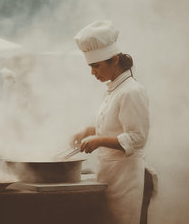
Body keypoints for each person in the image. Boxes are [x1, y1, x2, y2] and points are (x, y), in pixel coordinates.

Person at [72, 20, 156, 224]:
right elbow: (111, 127)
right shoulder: (113, 90)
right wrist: (89, 130)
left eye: (96, 66)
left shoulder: (132, 91)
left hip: (126, 178)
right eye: (91, 66)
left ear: (115, 60)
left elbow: (137, 138)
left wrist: (98, 141)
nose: (93, 72)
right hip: (109, 174)